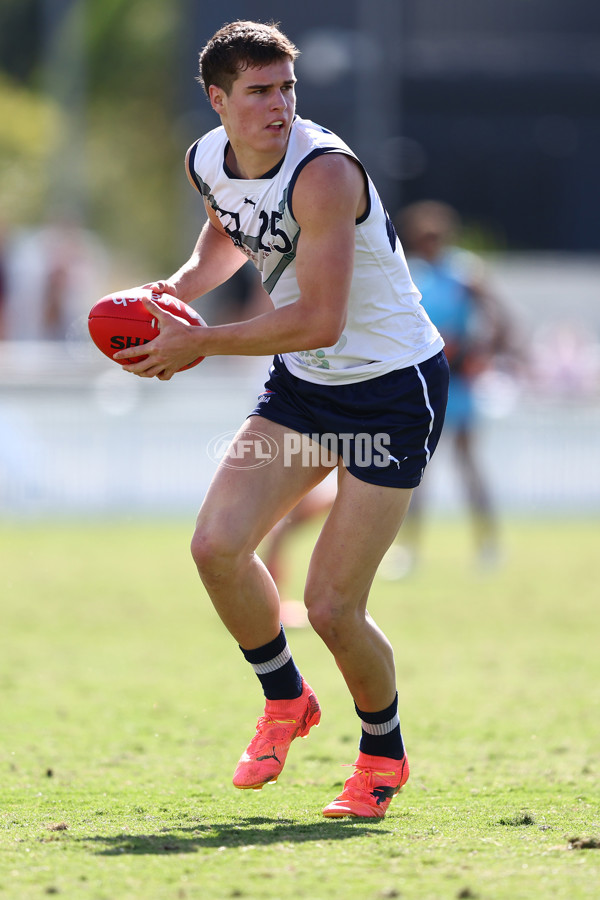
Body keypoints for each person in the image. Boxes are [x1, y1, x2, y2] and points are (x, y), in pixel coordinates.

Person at [114, 21, 448, 819]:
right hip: (306, 387)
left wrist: (199, 342)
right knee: (216, 547)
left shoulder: (324, 173)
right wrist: (176, 291)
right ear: (218, 99)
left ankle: (382, 753)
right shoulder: (206, 159)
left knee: (332, 605)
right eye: (260, 92)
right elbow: (230, 234)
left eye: (287, 89)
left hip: (391, 389)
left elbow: (320, 320)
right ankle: (285, 698)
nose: (279, 107)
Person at [383, 200, 513, 576]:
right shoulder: (411, 273)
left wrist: (482, 351)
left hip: (458, 378)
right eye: (425, 237)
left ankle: (488, 544)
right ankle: (407, 549)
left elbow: (500, 318)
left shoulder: (464, 273)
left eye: (436, 236)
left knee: (468, 463)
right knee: (417, 467)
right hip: (423, 379)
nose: (431, 243)